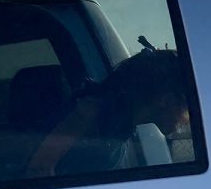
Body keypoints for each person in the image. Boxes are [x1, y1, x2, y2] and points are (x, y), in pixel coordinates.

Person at [26, 47, 191, 178]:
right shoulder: (88, 114)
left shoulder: (122, 129)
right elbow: (39, 169)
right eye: (186, 105)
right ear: (166, 101)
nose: (187, 116)